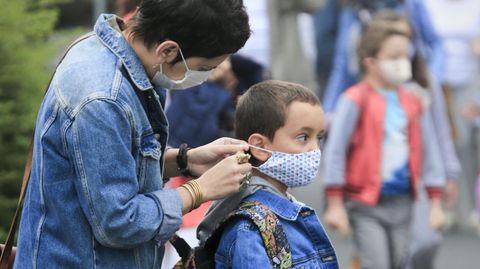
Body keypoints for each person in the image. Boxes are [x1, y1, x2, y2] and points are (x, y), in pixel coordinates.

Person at [13, 0, 252, 268]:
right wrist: (200, 189)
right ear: (168, 50)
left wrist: (184, 160)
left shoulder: (113, 54)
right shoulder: (103, 98)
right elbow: (118, 221)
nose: (206, 77)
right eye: (205, 68)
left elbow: (106, 168)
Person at [322, 23, 446, 269]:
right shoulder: (354, 99)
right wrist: (335, 203)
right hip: (365, 204)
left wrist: (435, 202)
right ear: (371, 62)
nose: (402, 62)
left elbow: (430, 151)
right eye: (394, 57)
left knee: (401, 262)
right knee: (377, 263)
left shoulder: (414, 101)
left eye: (405, 56)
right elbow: (335, 151)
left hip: (404, 203)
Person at [209, 80, 338, 268]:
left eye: (319, 137)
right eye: (303, 137)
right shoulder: (250, 228)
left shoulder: (287, 207)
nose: (315, 149)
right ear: (260, 147)